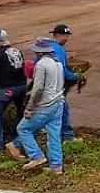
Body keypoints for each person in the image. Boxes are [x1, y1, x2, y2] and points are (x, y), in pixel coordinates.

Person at [7, 38, 66, 173]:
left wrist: (30, 108)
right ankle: (56, 166)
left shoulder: (41, 65)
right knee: (54, 136)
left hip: (46, 105)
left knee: (23, 129)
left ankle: (36, 156)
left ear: (39, 52)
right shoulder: (58, 64)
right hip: (58, 102)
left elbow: (38, 89)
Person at [0, 29, 27, 151]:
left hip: (6, 89)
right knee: (21, 112)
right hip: (22, 87)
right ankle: (22, 139)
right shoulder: (17, 51)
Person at [46, 24, 80, 141]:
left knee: (54, 112)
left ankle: (62, 135)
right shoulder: (58, 49)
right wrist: (74, 77)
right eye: (65, 36)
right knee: (62, 110)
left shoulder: (49, 47)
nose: (67, 38)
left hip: (49, 85)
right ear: (57, 35)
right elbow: (61, 69)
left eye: (68, 36)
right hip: (54, 87)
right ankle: (67, 136)